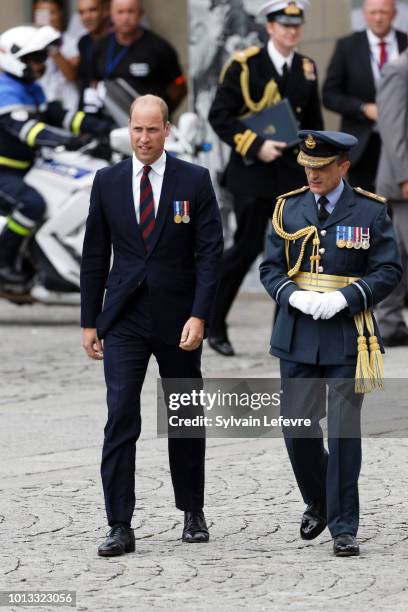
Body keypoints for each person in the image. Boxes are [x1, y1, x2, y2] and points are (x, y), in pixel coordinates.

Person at [80, 94, 223, 557]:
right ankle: (119, 523)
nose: (144, 139)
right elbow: (95, 256)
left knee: (183, 414)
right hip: (123, 319)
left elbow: (210, 256)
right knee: (121, 414)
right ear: (129, 129)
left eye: (152, 130)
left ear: (166, 130)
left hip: (179, 318)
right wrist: (89, 321)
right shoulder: (107, 181)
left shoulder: (195, 180)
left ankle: (192, 510)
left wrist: (200, 315)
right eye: (137, 130)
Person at [260, 130, 402, 557]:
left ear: (343, 166)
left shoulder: (371, 210)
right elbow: (270, 268)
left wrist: (347, 296)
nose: (312, 174)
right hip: (298, 331)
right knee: (297, 428)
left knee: (343, 432)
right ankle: (320, 497)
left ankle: (344, 526)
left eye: (321, 168)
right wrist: (292, 294)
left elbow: (389, 270)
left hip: (348, 334)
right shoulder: (288, 207)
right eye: (307, 167)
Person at [207, 0, 323, 357]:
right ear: (269, 27)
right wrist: (256, 145)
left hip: (292, 174)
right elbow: (220, 115)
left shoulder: (306, 68)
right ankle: (213, 321)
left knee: (294, 254)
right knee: (246, 249)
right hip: (253, 173)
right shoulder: (245, 65)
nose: (291, 31)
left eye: (296, 25)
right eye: (283, 24)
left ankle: (283, 333)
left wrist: (318, 164)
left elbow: (313, 121)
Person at [0, 24, 111, 286]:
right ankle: (3, 261)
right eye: (36, 59)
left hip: (27, 166)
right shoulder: (5, 90)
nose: (42, 64)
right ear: (13, 58)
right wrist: (71, 141)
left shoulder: (30, 87)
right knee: (32, 204)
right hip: (4, 171)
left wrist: (101, 127)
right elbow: (29, 130)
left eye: (42, 57)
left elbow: (58, 114)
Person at [322, 0, 407, 193]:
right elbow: (329, 95)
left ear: (394, 14)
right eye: (373, 12)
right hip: (362, 143)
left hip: (401, 143)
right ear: (365, 14)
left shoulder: (405, 42)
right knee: (365, 207)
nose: (378, 18)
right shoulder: (347, 46)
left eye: (383, 12)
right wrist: (363, 108)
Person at [89, 0, 187, 114]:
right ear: (110, 14)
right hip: (110, 120)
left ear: (141, 13)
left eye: (131, 11)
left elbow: (179, 85)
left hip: (147, 121)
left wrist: (162, 114)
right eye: (120, 12)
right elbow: (94, 81)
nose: (125, 17)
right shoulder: (100, 47)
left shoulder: (160, 48)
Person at [375, 50, 408, 346]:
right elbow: (393, 127)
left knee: (399, 254)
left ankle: (388, 322)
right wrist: (404, 177)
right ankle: (387, 321)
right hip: (404, 180)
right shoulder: (398, 70)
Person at [34, 0, 81, 112]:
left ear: (60, 13)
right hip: (40, 105)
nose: (48, 18)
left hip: (69, 106)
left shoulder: (73, 42)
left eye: (52, 13)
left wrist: (52, 47)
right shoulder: (29, 44)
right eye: (42, 13)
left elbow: (72, 76)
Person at [77, 0, 111, 107]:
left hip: (111, 108)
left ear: (105, 11)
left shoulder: (118, 41)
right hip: (87, 107)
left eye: (92, 10)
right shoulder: (83, 41)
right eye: (82, 12)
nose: (87, 17)